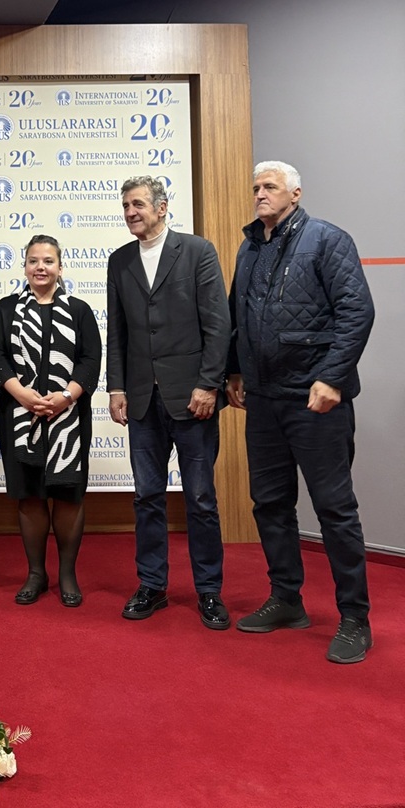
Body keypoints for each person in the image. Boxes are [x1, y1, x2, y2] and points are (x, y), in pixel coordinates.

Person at [227, 161, 375, 663]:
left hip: (316, 402)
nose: (260, 194)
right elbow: (237, 315)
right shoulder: (250, 246)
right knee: (269, 504)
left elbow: (358, 311)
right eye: (255, 188)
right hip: (264, 401)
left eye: (269, 186)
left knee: (335, 511)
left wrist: (333, 377)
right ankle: (287, 599)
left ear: (295, 193)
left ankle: (355, 617)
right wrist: (233, 371)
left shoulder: (328, 240)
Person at [106, 176, 232, 629]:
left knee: (200, 498)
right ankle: (152, 585)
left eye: (138, 204)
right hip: (141, 400)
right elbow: (116, 332)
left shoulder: (197, 251)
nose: (130, 212)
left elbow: (218, 324)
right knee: (147, 497)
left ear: (161, 207)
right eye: (125, 205)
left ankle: (210, 592)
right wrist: (116, 387)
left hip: (193, 399)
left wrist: (208, 384)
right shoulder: (119, 261)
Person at [0, 235, 102, 606]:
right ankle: (36, 573)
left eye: (48, 261)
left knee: (68, 496)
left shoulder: (80, 311)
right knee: (31, 496)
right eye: (34, 261)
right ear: (24, 267)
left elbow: (90, 360)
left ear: (60, 267)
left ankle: (67, 574)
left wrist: (67, 396)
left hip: (68, 418)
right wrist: (21, 394)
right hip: (19, 416)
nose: (41, 267)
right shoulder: (6, 309)